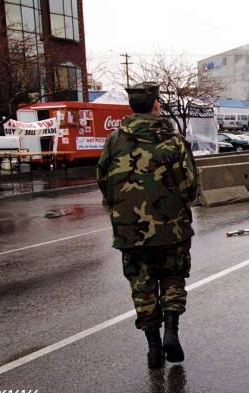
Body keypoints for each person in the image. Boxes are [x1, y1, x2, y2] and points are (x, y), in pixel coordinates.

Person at [97, 82, 198, 369]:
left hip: (130, 232)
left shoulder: (114, 140)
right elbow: (190, 186)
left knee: (142, 288)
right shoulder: (175, 142)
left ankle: (153, 350)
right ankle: (171, 332)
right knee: (173, 280)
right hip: (172, 230)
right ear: (156, 104)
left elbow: (103, 181)